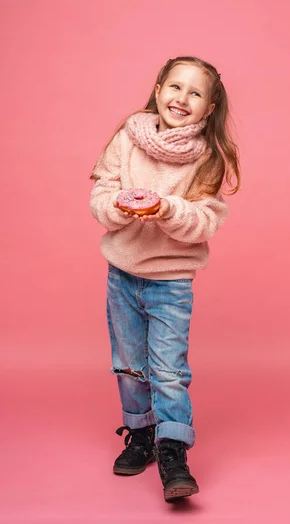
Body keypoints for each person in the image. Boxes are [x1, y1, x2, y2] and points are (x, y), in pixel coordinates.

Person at [90, 56, 240, 501]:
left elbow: (204, 223)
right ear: (158, 90)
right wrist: (120, 205)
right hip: (122, 275)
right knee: (131, 365)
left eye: (196, 93)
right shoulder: (128, 137)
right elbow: (100, 194)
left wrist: (167, 209)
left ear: (209, 108)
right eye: (175, 87)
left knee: (169, 370)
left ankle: (174, 450)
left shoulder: (208, 158)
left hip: (171, 282)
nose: (183, 98)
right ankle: (141, 435)